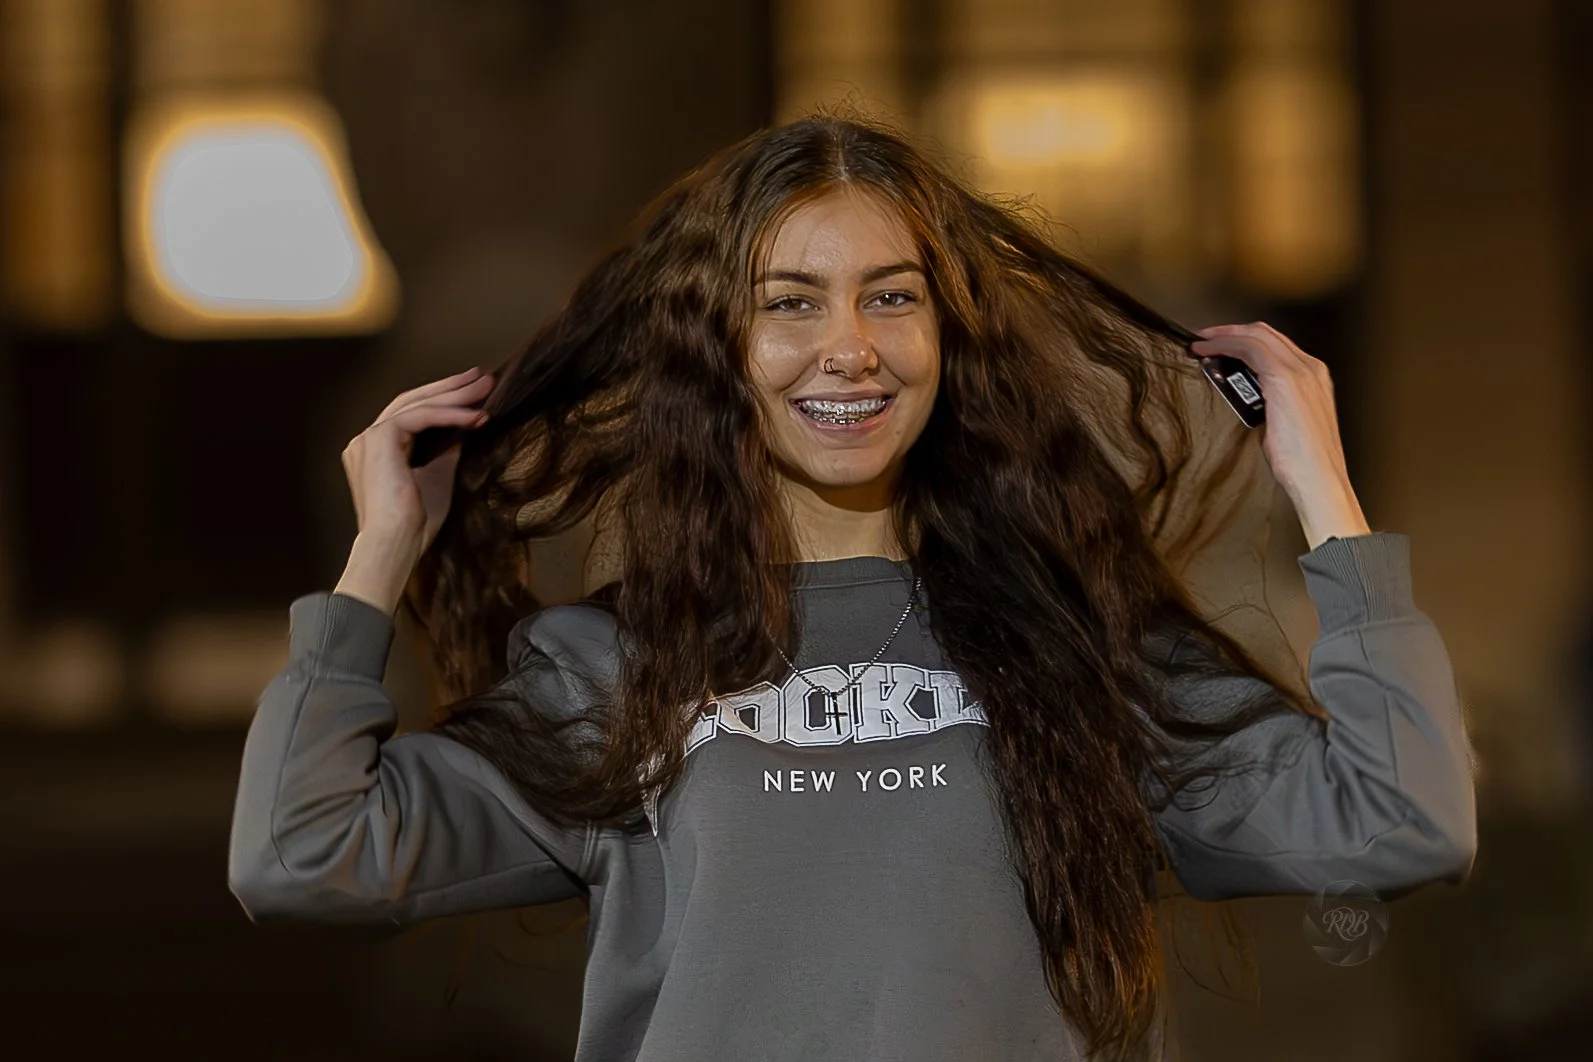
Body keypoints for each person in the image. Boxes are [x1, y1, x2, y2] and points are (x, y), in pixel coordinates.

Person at [227, 111, 1477, 1062]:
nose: (850, 346)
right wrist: (380, 554)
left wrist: (1326, 492)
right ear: (716, 350)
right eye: (790, 302)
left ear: (949, 339)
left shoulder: (1085, 650)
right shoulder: (612, 667)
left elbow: (1402, 822)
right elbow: (302, 852)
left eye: (892, 297)